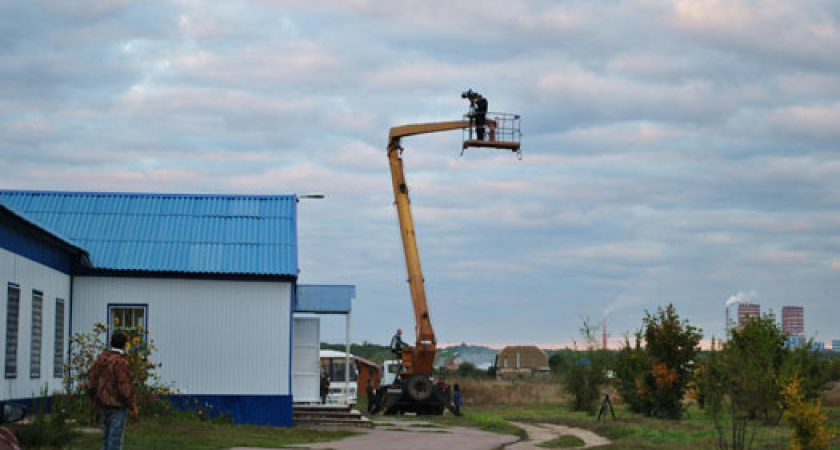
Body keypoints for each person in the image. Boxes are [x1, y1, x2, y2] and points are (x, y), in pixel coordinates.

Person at [88, 331, 138, 450]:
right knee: (114, 440)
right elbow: (124, 387)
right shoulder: (121, 363)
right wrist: (132, 405)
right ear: (124, 345)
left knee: (105, 438)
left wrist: (94, 400)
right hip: (117, 405)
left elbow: (91, 383)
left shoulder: (100, 361)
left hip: (102, 403)